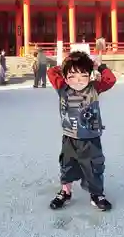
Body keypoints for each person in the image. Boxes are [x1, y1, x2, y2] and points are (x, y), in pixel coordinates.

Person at [47, 51, 116, 211]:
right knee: (67, 165)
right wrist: (69, 63)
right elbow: (52, 72)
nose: (77, 81)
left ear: (90, 75)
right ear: (65, 77)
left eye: (83, 75)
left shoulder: (94, 88)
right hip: (70, 137)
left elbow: (110, 79)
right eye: (72, 76)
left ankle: (96, 194)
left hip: (90, 137)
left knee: (94, 167)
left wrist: (98, 66)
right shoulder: (62, 87)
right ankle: (65, 191)